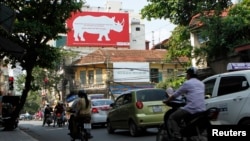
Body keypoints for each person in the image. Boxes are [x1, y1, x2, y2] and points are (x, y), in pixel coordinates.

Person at [163, 67, 206, 141]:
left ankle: (177, 136)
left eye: (187, 74)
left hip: (191, 109)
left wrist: (167, 100)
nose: (186, 75)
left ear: (189, 74)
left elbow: (176, 94)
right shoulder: (201, 84)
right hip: (202, 109)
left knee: (172, 117)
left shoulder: (187, 83)